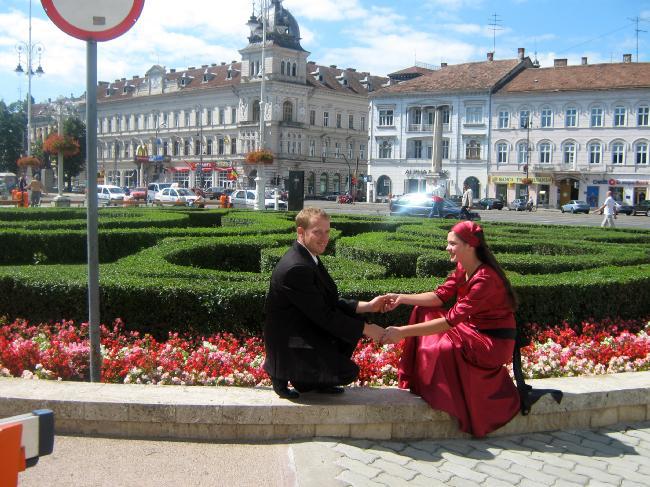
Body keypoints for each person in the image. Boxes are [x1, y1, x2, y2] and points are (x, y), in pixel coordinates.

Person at [380, 221, 522, 437]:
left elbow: (450, 321)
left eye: (452, 244)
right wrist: (401, 299)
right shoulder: (463, 268)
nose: (447, 248)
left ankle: (439, 394)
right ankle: (419, 382)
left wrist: (401, 332)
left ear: (470, 246)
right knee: (420, 310)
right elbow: (440, 296)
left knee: (444, 346)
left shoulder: (485, 279)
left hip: (491, 342)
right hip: (471, 330)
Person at [264, 207, 386, 399]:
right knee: (347, 372)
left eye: (327, 231)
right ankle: (286, 375)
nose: (324, 238)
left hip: (306, 329)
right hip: (291, 343)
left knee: (353, 315)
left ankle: (313, 380)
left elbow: (328, 302)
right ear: (301, 232)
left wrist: (369, 305)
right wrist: (368, 329)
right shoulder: (296, 268)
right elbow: (324, 315)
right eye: (317, 232)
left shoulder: (307, 257)